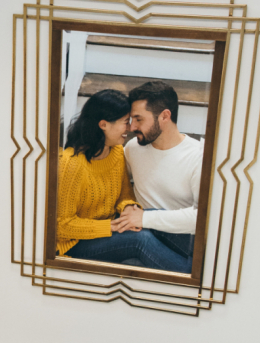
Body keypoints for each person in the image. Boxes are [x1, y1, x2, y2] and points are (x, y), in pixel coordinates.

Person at [58, 90, 193, 272]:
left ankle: (201, 262)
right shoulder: (71, 164)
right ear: (103, 125)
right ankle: (191, 279)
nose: (130, 128)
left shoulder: (116, 152)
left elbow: (124, 195)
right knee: (140, 239)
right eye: (125, 122)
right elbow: (62, 225)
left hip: (108, 227)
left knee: (150, 217)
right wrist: (109, 226)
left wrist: (129, 208)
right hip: (75, 244)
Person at [112, 80, 203, 266]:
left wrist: (145, 217)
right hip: (144, 239)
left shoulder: (197, 156)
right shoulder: (133, 149)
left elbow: (201, 219)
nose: (132, 127)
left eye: (139, 119)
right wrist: (127, 207)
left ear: (164, 116)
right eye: (131, 120)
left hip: (180, 243)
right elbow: (119, 187)